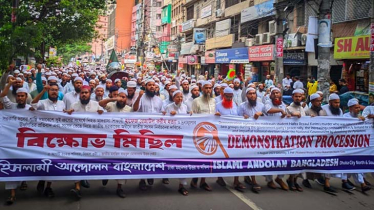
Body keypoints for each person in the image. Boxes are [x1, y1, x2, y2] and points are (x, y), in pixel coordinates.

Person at [63, 85, 104, 200]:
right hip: (77, 140)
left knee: (90, 161)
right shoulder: (74, 106)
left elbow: (106, 120)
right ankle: (77, 187)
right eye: (82, 93)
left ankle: (86, 178)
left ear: (90, 94)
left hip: (93, 141)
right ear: (79, 94)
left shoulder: (96, 105)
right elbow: (66, 119)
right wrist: (68, 114)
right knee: (76, 161)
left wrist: (102, 113)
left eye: (86, 93)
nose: (84, 95)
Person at [0, 79, 31, 205]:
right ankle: (12, 194)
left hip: (27, 143)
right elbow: (2, 96)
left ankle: (24, 180)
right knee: (11, 164)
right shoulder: (10, 107)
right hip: (12, 142)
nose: (20, 98)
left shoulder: (31, 109)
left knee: (25, 163)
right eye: (18, 96)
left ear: (26, 97)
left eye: (22, 96)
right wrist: (9, 84)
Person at [98, 89, 131, 198]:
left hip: (123, 141)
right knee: (107, 160)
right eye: (120, 97)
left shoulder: (129, 109)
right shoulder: (111, 105)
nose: (122, 99)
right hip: (109, 139)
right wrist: (113, 98)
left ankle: (119, 187)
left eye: (124, 97)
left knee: (122, 163)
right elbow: (101, 104)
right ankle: (105, 175)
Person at [133, 79, 163, 190]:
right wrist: (139, 97)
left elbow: (162, 114)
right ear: (145, 87)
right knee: (143, 156)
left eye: (153, 85)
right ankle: (142, 179)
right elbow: (135, 110)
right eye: (149, 85)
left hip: (155, 132)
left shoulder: (159, 100)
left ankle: (151, 174)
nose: (151, 87)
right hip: (142, 131)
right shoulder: (140, 98)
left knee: (154, 155)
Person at [190, 81, 216, 191]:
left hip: (212, 134)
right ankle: (195, 178)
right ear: (202, 89)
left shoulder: (215, 101)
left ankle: (203, 181)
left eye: (210, 88)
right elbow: (192, 116)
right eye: (206, 88)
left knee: (208, 158)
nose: (208, 90)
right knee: (198, 158)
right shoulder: (196, 101)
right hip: (199, 134)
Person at [264, 87, 289, 190]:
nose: (276, 95)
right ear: (271, 95)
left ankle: (280, 178)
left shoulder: (283, 104)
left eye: (277, 93)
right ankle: (269, 180)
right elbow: (268, 110)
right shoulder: (267, 102)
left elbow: (287, 115)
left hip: (281, 135)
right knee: (269, 159)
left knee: (283, 157)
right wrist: (280, 110)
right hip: (269, 135)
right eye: (274, 93)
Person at [285, 89, 306, 192]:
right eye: (296, 96)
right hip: (292, 139)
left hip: (302, 138)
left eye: (300, 96)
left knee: (301, 162)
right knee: (294, 161)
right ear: (293, 97)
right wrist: (291, 116)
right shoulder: (288, 108)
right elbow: (284, 121)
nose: (298, 98)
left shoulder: (303, 108)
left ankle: (294, 180)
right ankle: (291, 180)